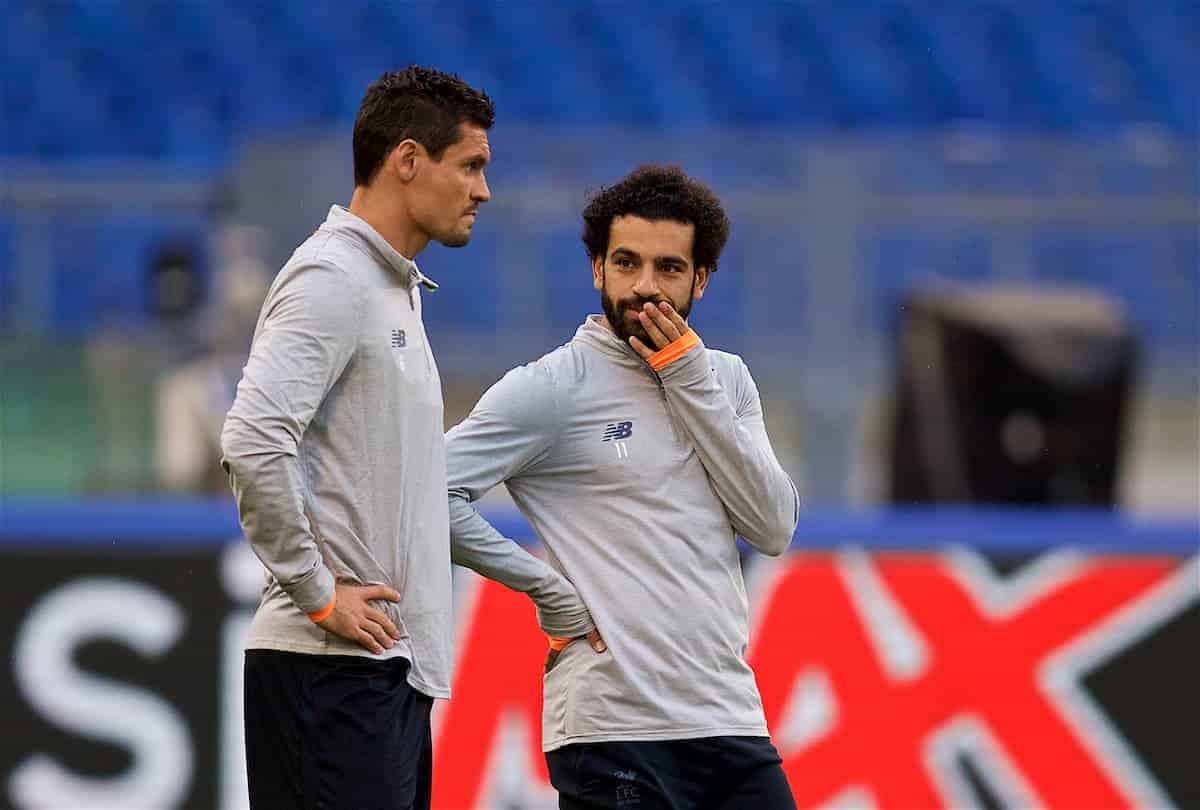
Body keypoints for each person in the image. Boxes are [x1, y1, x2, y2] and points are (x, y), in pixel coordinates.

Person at [446, 165, 800, 808]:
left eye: (668, 268)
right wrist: (548, 591)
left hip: (729, 717)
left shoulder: (727, 378)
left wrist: (688, 376)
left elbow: (772, 526)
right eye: (626, 262)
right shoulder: (551, 388)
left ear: (700, 279)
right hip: (614, 729)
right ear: (597, 270)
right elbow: (428, 494)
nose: (644, 287)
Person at [220, 66, 493, 810]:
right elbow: (252, 440)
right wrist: (316, 594)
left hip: (379, 674)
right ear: (408, 160)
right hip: (329, 671)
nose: (483, 191)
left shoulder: (388, 287)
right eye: (470, 166)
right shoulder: (332, 279)